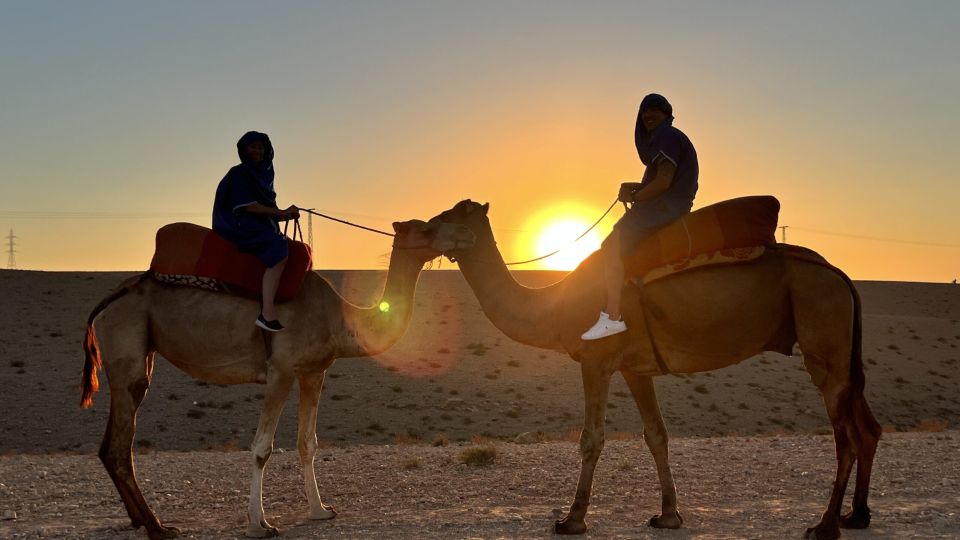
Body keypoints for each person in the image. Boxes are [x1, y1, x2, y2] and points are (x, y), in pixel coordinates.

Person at [581, 94, 699, 340]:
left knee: (611, 245)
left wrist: (637, 197)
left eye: (655, 110)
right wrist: (638, 189)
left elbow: (664, 182)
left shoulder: (667, 137)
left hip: (665, 207)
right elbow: (662, 180)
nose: (647, 115)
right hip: (666, 205)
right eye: (644, 111)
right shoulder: (666, 141)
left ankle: (612, 317)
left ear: (667, 114)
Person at [213, 131, 300, 332]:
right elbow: (248, 206)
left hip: (260, 224)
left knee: (290, 246)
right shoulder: (240, 173)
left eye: (260, 147)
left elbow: (265, 205)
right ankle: (267, 314)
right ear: (244, 150)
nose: (257, 151)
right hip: (239, 224)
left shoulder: (264, 176)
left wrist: (283, 214)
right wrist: (281, 213)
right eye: (252, 147)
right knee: (278, 249)